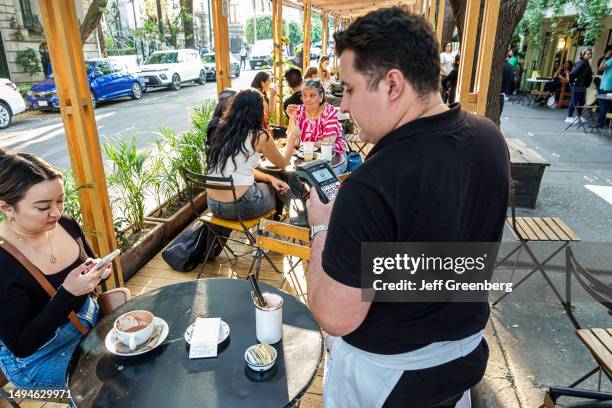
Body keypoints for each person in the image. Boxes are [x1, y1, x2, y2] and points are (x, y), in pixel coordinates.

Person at [305, 7, 509, 407]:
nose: (343, 106)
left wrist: (321, 229)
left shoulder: (371, 184)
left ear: (392, 84)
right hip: (460, 363)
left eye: (348, 89)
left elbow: (335, 316)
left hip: (388, 381)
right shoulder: (489, 139)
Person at [0, 149, 112, 388]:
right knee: (107, 379)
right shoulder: (3, 261)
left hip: (88, 320)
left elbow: (91, 264)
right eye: (42, 207)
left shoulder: (66, 224)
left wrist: (101, 271)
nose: (56, 213)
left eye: (60, 200)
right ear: (7, 208)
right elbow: (22, 345)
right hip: (39, 356)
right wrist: (69, 294)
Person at [206, 89, 300, 221]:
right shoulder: (259, 136)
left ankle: (291, 220)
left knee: (273, 180)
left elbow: (237, 170)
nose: (266, 112)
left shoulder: (223, 129)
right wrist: (291, 137)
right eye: (264, 108)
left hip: (213, 204)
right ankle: (282, 225)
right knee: (280, 187)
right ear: (257, 111)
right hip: (240, 206)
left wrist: (269, 178)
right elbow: (283, 163)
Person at [286, 79, 347, 174]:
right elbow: (294, 142)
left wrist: (307, 144)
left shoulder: (328, 111)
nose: (307, 99)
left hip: (333, 159)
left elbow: (328, 143)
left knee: (318, 178)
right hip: (308, 160)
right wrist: (292, 118)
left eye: (312, 95)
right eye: (304, 95)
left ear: (321, 96)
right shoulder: (299, 111)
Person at [565, 48, 593, 124]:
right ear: (582, 55)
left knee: (581, 102)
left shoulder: (585, 63)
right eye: (588, 54)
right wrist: (574, 82)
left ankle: (578, 116)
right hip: (578, 85)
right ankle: (569, 117)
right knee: (575, 100)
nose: (590, 55)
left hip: (582, 85)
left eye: (590, 54)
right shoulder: (582, 63)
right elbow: (573, 74)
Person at [593, 46, 612, 129]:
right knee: (609, 106)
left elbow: (601, 68)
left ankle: (600, 123)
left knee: (602, 104)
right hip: (610, 86)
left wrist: (605, 57)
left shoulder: (610, 60)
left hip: (606, 85)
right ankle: (607, 123)